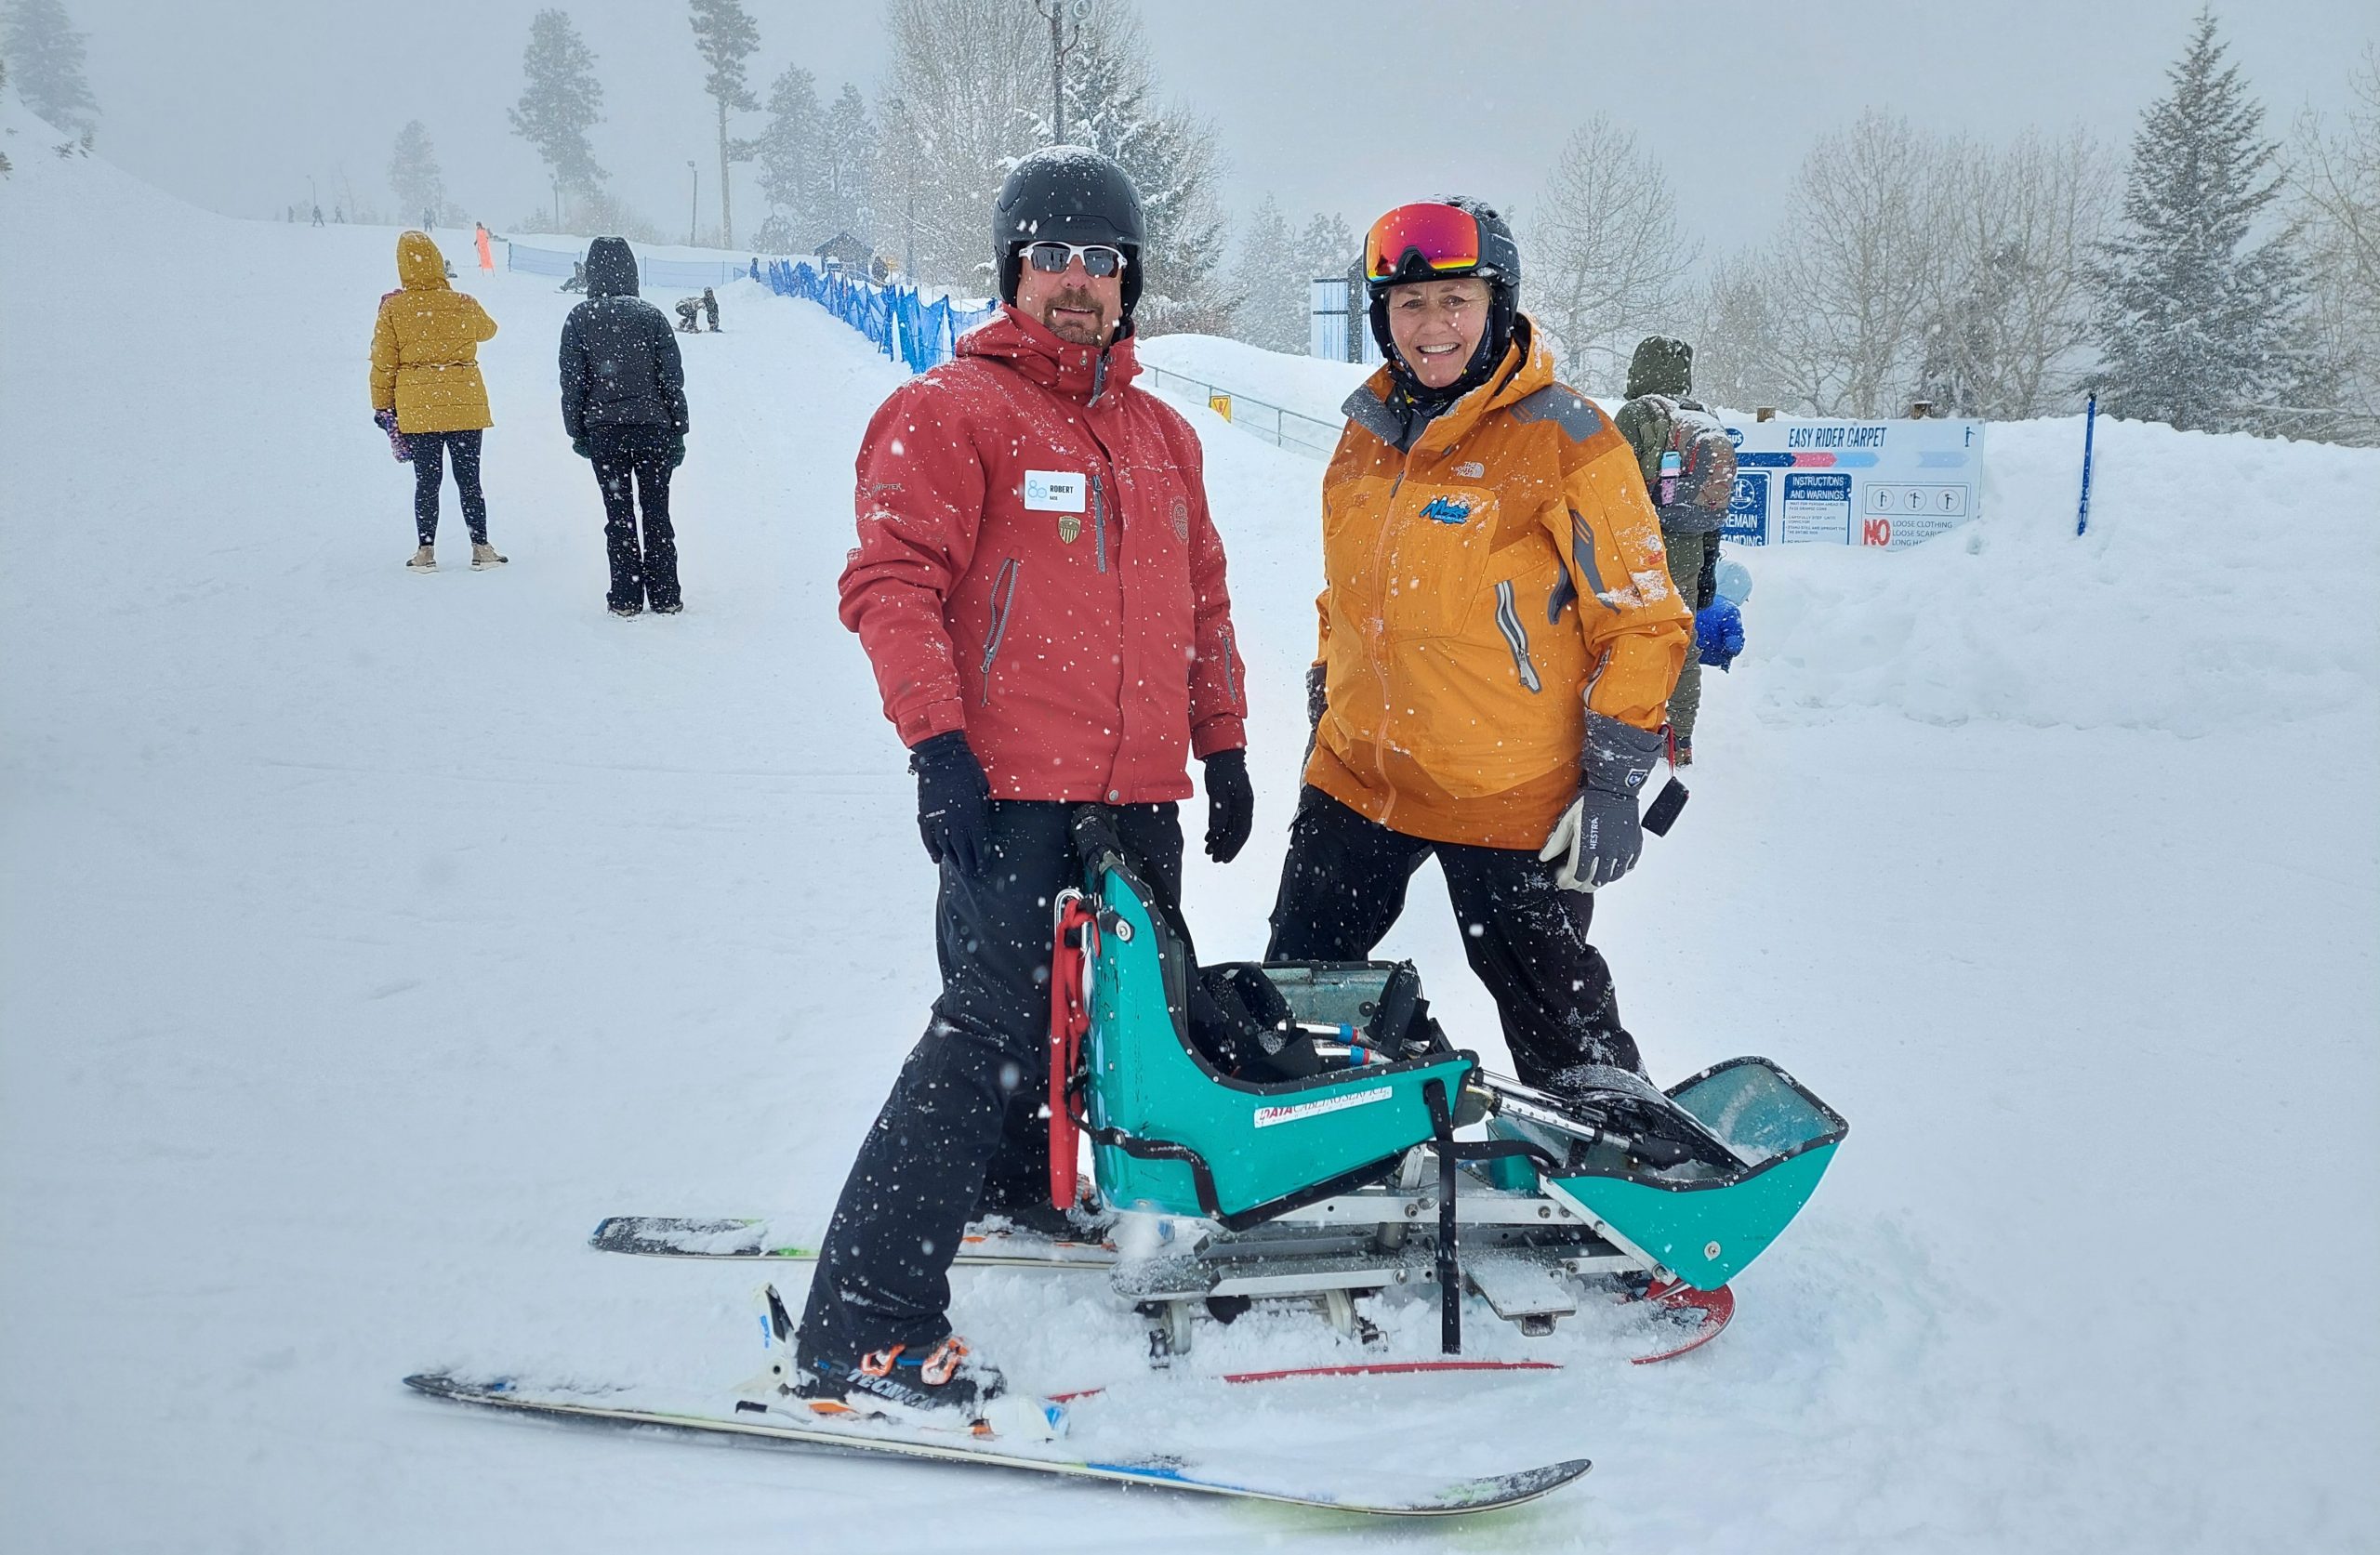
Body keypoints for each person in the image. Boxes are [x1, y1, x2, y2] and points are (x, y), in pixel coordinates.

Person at [795, 146, 1252, 1430]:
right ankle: (866, 1321)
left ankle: (1021, 1184)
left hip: (1135, 801)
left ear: (1129, 283)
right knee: (987, 1034)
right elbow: (892, 585)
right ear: (1012, 269)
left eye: (1101, 262)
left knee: (1118, 1022)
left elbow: (1202, 607)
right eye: (1052, 256)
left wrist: (1223, 745)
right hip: (1009, 797)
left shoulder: (1163, 438)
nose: (1076, 282)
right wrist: (937, 743)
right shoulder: (954, 410)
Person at [1266, 197, 1689, 1093]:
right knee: (1296, 996)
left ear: (1498, 303)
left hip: (1505, 790)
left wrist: (1614, 779)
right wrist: (1323, 711)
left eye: (1455, 300)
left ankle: (1628, 1166)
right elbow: (1346, 597)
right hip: (1360, 778)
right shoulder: (1366, 434)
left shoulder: (1568, 438)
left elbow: (1644, 621)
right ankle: (1327, 1145)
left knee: (1559, 1020)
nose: (1433, 326)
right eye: (1410, 303)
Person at [1615, 336, 1730, 765]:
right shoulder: (1703, 417)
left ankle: (1628, 730)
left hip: (1639, 547)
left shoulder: (1636, 414)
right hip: (1691, 551)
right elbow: (1713, 507)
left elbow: (1613, 488)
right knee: (1683, 643)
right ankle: (1679, 737)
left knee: (1629, 639)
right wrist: (1707, 569)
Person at [561, 237, 689, 616]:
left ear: (591, 272)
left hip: (605, 434)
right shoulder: (652, 316)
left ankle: (626, 597)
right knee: (656, 511)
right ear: (631, 271)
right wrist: (678, 430)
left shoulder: (579, 318)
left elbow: (573, 383)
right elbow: (672, 380)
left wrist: (578, 432)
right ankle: (666, 595)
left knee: (618, 516)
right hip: (654, 431)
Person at [369, 230, 505, 573]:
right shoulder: (463, 302)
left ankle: (426, 552)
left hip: (420, 410)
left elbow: (383, 361)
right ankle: (481, 548)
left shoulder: (394, 308)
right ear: (437, 262)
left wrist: (381, 405)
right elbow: (488, 330)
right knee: (470, 480)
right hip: (465, 405)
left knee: (427, 482)